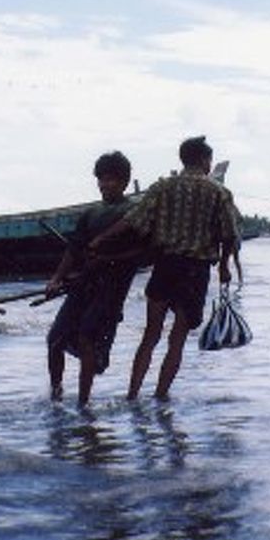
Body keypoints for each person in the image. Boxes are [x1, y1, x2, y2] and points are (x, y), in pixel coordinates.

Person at [89, 136, 239, 400]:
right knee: (177, 339)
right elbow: (229, 234)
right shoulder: (218, 192)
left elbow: (133, 221)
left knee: (151, 334)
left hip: (166, 266)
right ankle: (160, 397)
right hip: (196, 271)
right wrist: (224, 267)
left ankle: (132, 395)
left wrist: (102, 238)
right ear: (205, 161)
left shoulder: (163, 187)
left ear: (182, 159)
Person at [46, 151, 141, 406]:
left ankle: (83, 403)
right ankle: (56, 395)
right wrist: (57, 278)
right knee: (55, 339)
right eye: (101, 179)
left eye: (111, 179)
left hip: (111, 289)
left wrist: (110, 260)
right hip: (83, 285)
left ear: (124, 182)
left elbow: (143, 253)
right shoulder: (91, 213)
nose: (105, 184)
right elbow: (74, 250)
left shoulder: (133, 213)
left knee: (87, 338)